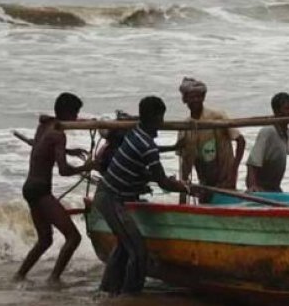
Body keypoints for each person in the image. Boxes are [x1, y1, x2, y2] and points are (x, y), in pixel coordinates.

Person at [93, 96, 190, 295]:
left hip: (106, 195)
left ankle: (108, 289)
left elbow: (143, 166)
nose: (162, 123)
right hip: (112, 199)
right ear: (156, 118)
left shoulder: (135, 131)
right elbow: (162, 182)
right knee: (137, 250)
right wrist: (185, 188)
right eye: (161, 118)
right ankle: (130, 295)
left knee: (123, 246)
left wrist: (172, 153)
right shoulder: (147, 146)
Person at [14, 93, 95, 285]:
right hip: (41, 190)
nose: (76, 118)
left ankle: (19, 276)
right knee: (73, 238)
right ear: (67, 112)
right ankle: (54, 279)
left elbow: (42, 146)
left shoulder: (44, 126)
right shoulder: (59, 134)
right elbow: (64, 170)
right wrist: (88, 167)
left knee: (45, 240)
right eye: (75, 113)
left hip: (29, 188)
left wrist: (69, 151)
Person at [176, 77, 245, 202]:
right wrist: (183, 195)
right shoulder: (184, 127)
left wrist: (233, 171)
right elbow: (185, 163)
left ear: (203, 97)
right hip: (205, 181)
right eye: (192, 97)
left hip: (225, 178)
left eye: (199, 96)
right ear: (185, 99)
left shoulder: (217, 116)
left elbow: (240, 141)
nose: (196, 100)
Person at [246, 92, 289, 192]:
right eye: (287, 109)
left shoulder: (285, 131)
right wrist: (252, 186)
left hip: (274, 188)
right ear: (277, 112)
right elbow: (253, 162)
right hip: (261, 189)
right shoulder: (268, 131)